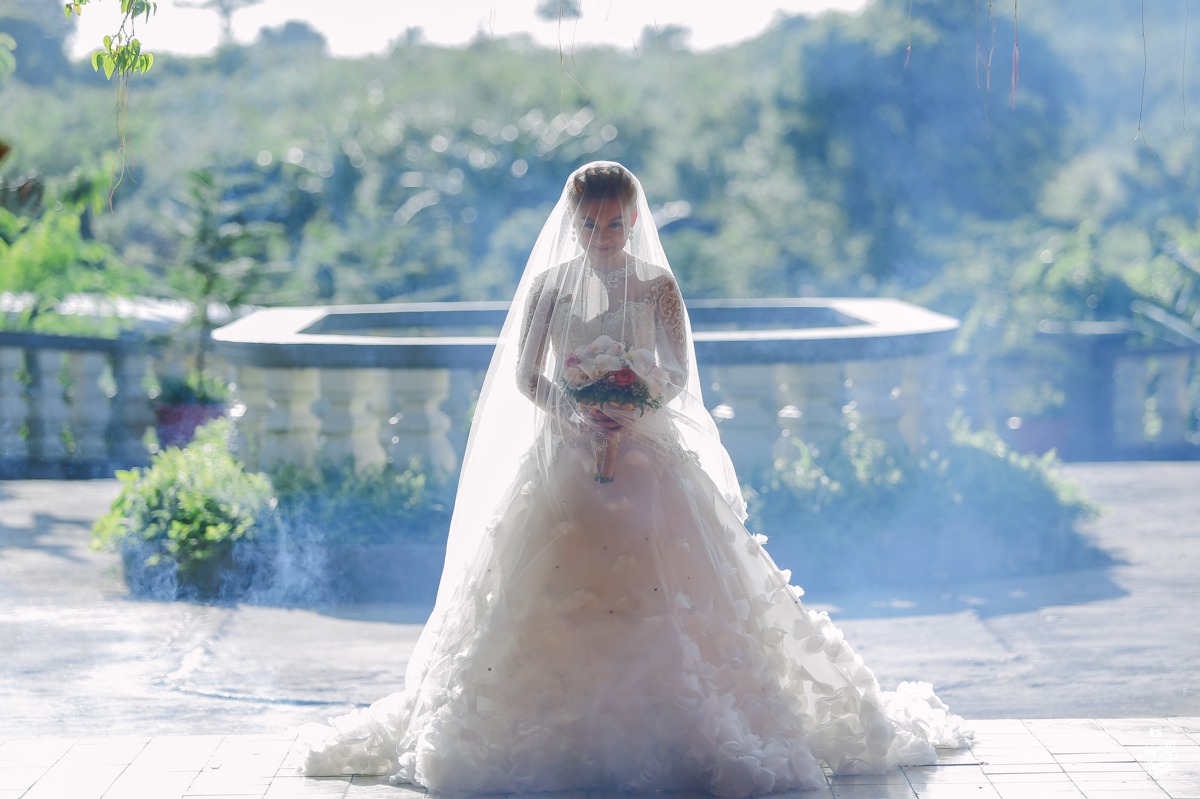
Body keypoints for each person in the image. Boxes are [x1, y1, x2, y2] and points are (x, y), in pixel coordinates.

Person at [294, 161, 970, 796]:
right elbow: (527, 376)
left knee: (678, 584)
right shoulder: (550, 285)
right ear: (573, 221)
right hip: (565, 452)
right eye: (591, 225)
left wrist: (636, 398)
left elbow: (677, 373)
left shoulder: (656, 287)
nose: (603, 237)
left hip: (647, 454)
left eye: (615, 224)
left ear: (634, 218)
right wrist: (576, 410)